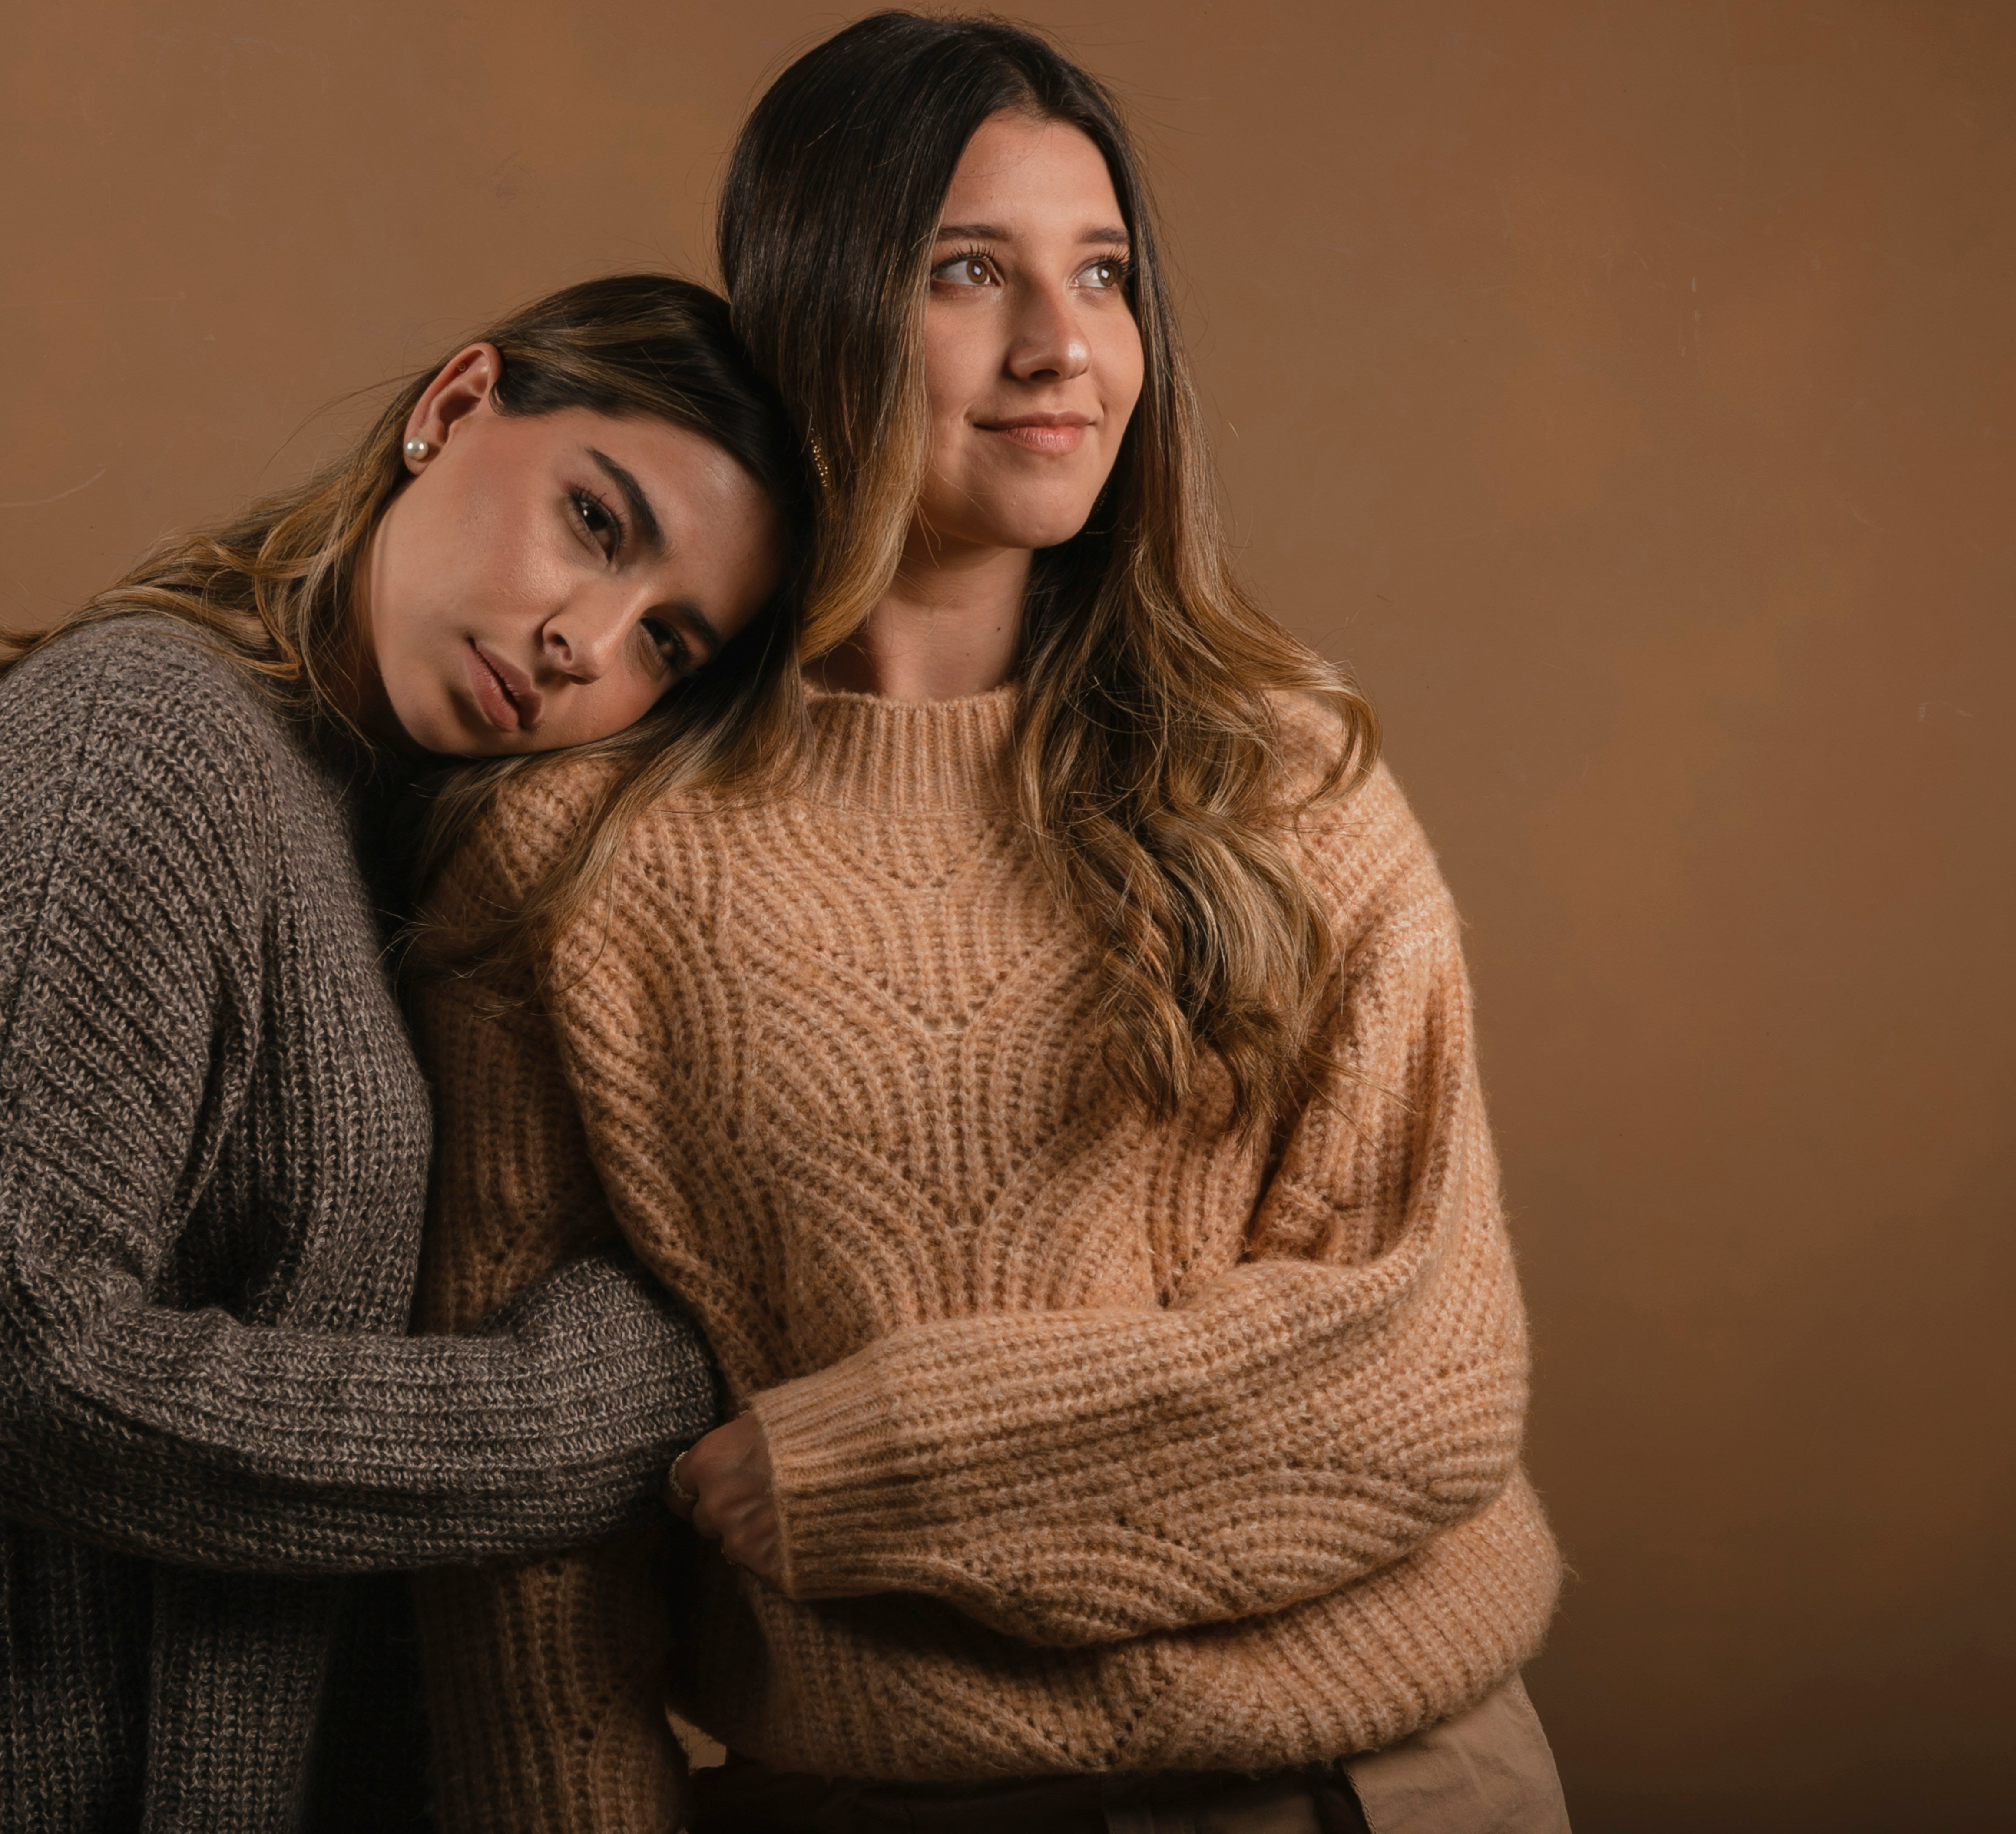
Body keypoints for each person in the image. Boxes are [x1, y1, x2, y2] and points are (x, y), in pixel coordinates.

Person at [410, 17, 1567, 1834]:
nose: (1063, 349)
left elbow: (1422, 1375)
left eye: (1100, 276)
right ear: (814, 312)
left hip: (1384, 1781)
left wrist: (876, 1464)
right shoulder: (581, 866)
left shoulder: (1276, 773)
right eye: (970, 271)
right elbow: (525, 1576)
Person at [0, 273, 809, 1834]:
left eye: (666, 644)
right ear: (456, 405)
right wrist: (585, 1415)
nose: (580, 643)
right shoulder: (141, 739)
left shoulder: (388, 827)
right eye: (597, 526)